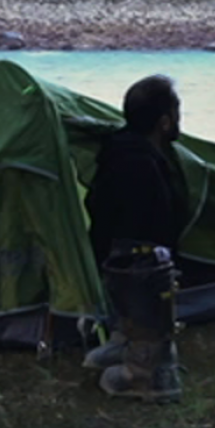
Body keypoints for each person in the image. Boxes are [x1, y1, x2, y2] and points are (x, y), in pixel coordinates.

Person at [80, 74, 189, 402]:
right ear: (165, 121)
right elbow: (153, 230)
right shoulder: (143, 165)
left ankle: (126, 337)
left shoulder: (117, 150)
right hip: (141, 271)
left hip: (111, 264)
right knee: (147, 258)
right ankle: (149, 371)